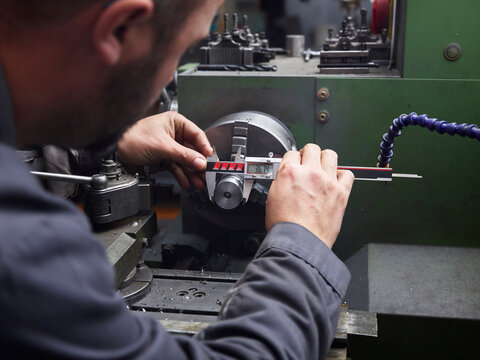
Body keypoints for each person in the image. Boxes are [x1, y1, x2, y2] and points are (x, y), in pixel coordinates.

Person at [0, 1, 355, 359]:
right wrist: (301, 246)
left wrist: (100, 150)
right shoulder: (20, 252)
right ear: (121, 30)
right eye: (182, 52)